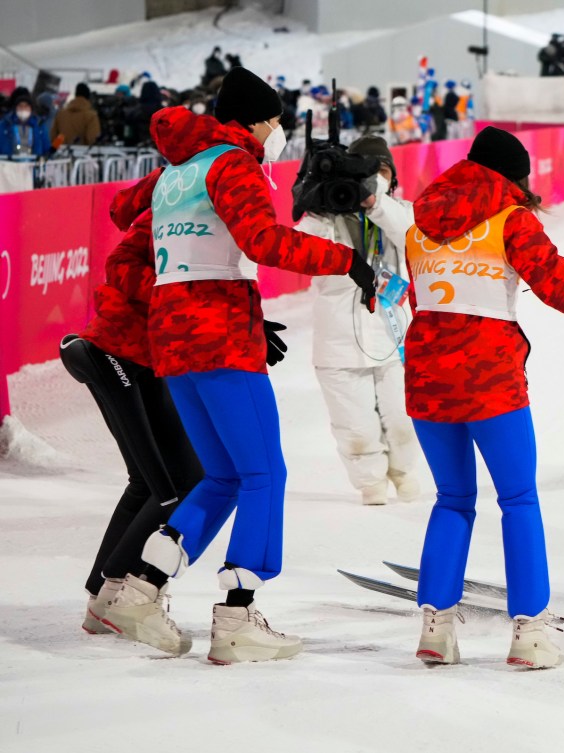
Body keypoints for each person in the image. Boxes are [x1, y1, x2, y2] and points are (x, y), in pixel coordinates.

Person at [100, 67, 378, 663]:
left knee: (221, 477)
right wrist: (345, 259)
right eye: (276, 121)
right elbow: (264, 241)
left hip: (171, 339)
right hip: (219, 334)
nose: (278, 132)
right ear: (255, 120)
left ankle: (142, 588)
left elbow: (120, 209)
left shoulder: (176, 170)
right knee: (264, 475)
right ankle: (236, 615)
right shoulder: (232, 163)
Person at [405, 126, 564, 668]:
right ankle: (529, 633)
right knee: (517, 499)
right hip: (490, 380)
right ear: (514, 179)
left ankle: (436, 629)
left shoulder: (418, 225)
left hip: (427, 380)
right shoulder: (511, 219)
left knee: (452, 499)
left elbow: (422, 300)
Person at [58, 206, 203, 636]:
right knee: (164, 491)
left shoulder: (210, 216)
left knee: (184, 478)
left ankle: (102, 597)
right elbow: (120, 263)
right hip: (112, 353)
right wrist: (172, 293)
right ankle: (114, 595)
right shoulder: (177, 201)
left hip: (148, 359)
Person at [294, 135, 424, 506]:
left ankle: (403, 472)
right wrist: (317, 197)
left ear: (392, 177)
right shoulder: (323, 217)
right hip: (338, 343)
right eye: (365, 172)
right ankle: (370, 484)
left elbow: (410, 237)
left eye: (380, 171)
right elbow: (298, 250)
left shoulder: (402, 211)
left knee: (403, 421)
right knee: (355, 427)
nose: (372, 179)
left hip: (394, 336)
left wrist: (375, 201)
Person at [50, 82, 101, 147]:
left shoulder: (61, 114)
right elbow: (92, 139)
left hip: (62, 152)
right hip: (82, 153)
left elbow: (54, 137)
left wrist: (57, 150)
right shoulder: (91, 116)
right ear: (88, 97)